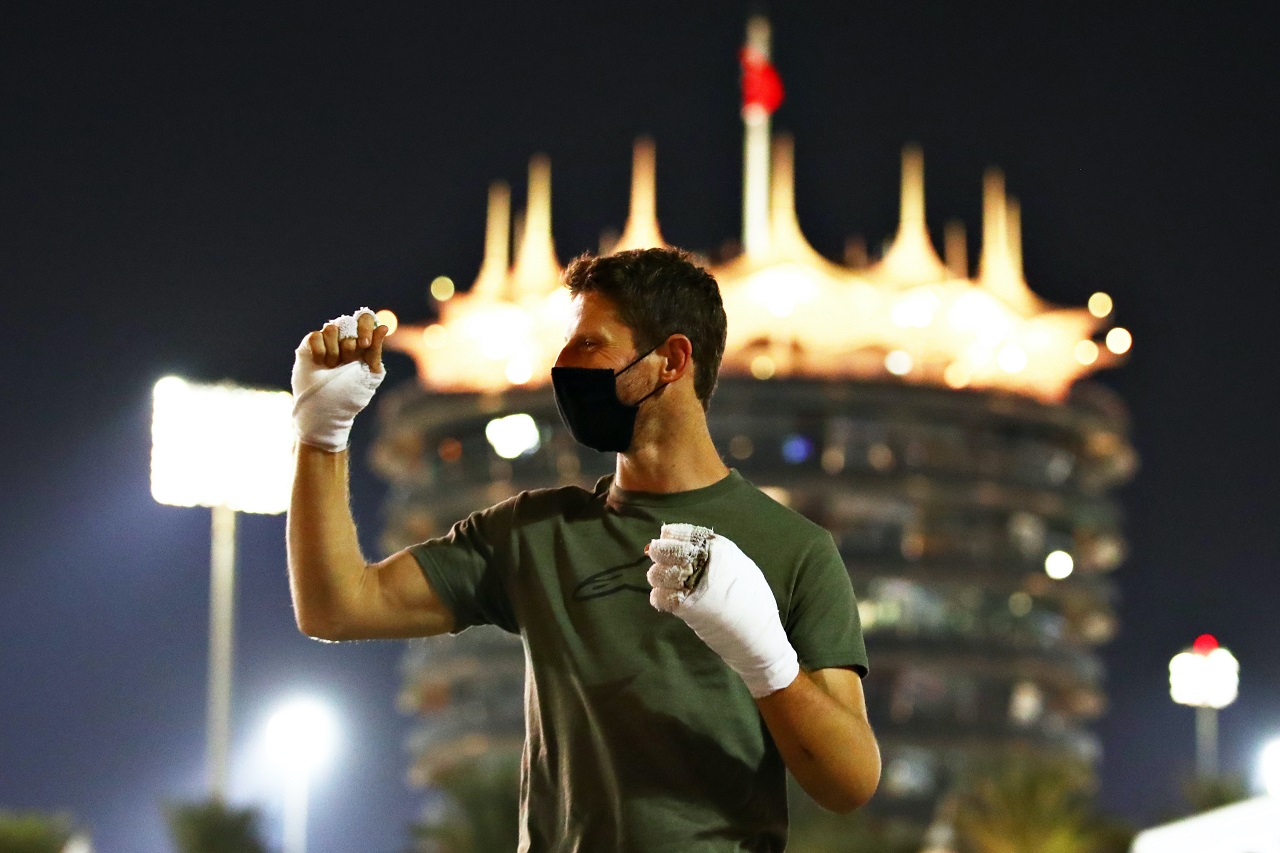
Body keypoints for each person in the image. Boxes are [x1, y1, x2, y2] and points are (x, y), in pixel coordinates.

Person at [287, 247, 880, 851]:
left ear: (671, 360)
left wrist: (768, 663)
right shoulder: (532, 533)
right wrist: (321, 434)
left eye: (588, 345)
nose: (562, 366)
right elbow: (336, 607)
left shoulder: (795, 549)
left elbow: (849, 783)